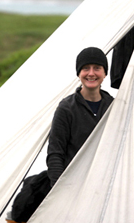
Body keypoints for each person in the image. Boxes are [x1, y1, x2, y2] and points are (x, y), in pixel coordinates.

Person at [47, 47, 114, 187]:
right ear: (79, 73)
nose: (91, 73)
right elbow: (55, 154)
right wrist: (59, 191)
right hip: (74, 186)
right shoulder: (66, 108)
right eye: (85, 68)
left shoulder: (114, 106)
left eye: (97, 68)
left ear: (104, 73)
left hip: (106, 185)